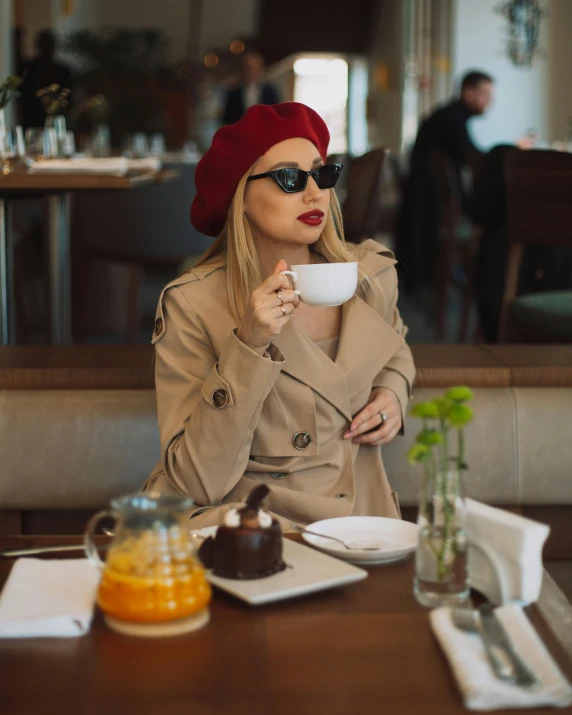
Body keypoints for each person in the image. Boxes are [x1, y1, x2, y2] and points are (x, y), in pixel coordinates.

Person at [143, 102, 415, 529]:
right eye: (290, 178)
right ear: (241, 196)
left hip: (367, 531)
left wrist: (393, 396)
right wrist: (248, 346)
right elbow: (193, 482)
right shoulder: (194, 305)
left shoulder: (369, 276)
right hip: (251, 529)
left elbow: (395, 351)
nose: (314, 194)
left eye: (322, 174)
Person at [396, 70, 494, 291]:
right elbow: (473, 157)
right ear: (468, 92)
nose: (490, 101)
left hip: (428, 204)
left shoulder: (449, 115)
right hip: (433, 206)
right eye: (485, 94)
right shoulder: (451, 119)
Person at [18, 29, 73, 129]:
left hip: (55, 122)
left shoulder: (64, 71)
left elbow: (69, 99)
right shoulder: (28, 68)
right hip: (31, 121)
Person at [221, 50, 281, 125]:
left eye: (255, 68)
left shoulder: (270, 91)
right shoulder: (233, 93)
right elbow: (227, 118)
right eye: (248, 68)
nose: (251, 72)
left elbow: (277, 115)